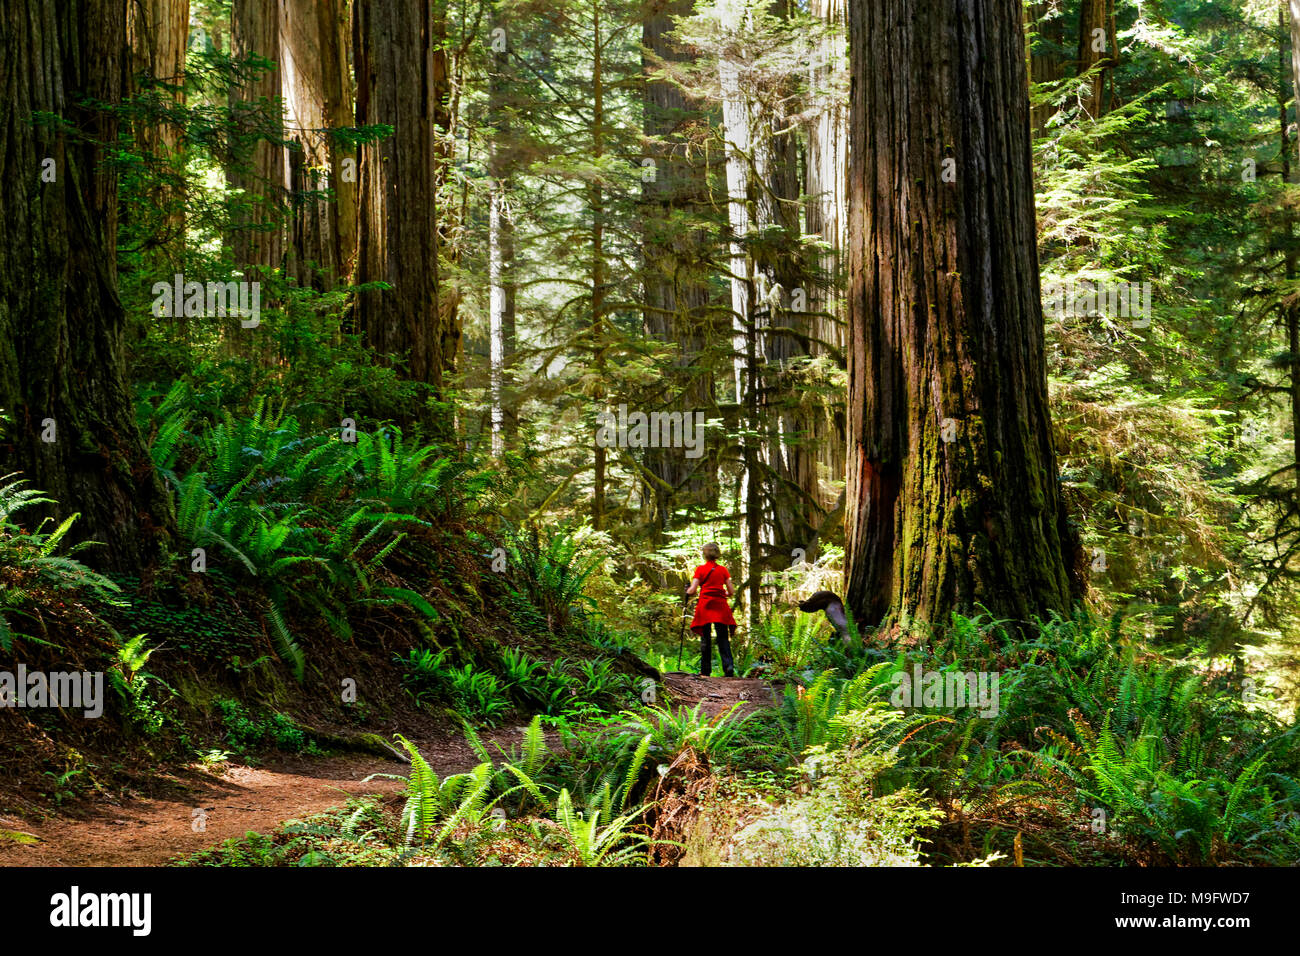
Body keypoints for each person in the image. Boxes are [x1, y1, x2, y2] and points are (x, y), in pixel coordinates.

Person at [685, 542, 737, 677]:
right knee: (723, 637)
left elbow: (692, 590)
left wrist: (687, 590)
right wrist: (721, 594)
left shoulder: (700, 569)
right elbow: (731, 591)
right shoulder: (723, 570)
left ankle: (706, 670)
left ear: (705, 554)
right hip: (720, 606)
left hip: (705, 606)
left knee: (705, 638)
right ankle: (728, 666)